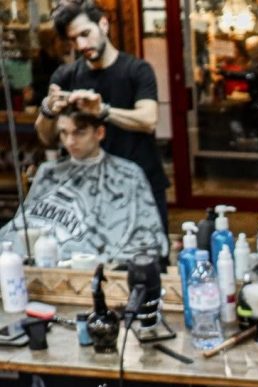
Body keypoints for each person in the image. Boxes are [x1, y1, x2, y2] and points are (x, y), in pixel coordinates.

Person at [34, 0, 169, 240]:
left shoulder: (137, 70)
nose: (81, 45)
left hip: (140, 185)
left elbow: (148, 119)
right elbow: (47, 137)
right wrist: (48, 110)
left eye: (85, 34)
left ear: (104, 25)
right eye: (74, 39)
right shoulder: (65, 76)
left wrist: (102, 111)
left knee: (148, 255)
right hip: (87, 190)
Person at [0, 106, 167, 263]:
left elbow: (146, 238)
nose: (70, 142)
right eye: (64, 133)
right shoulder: (48, 171)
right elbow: (21, 225)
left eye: (79, 133)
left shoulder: (128, 174)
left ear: (99, 133)